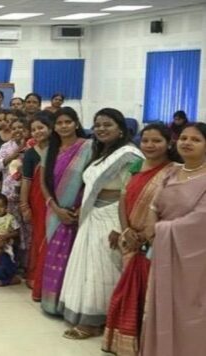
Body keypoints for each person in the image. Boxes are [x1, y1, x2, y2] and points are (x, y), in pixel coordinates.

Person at [59, 108, 142, 339]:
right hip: (92, 214)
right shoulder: (102, 152)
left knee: (103, 268)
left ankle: (98, 321)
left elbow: (132, 193)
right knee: (88, 266)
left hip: (113, 216)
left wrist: (122, 227)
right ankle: (86, 315)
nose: (101, 129)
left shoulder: (130, 155)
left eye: (107, 125)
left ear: (121, 129)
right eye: (97, 125)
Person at [102, 124, 176, 356]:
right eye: (145, 140)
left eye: (157, 141)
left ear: (168, 143)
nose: (150, 145)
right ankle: (126, 343)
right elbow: (123, 201)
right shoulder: (135, 167)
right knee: (129, 293)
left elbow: (171, 210)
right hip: (130, 241)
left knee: (150, 296)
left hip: (154, 242)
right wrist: (126, 231)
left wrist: (145, 236)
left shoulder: (174, 172)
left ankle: (148, 345)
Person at [141, 122, 206, 356]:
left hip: (195, 259)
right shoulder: (171, 171)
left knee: (190, 311)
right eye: (184, 138)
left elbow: (200, 220)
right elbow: (154, 204)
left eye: (196, 140)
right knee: (161, 303)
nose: (187, 143)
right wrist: (152, 223)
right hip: (165, 250)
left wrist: (159, 230)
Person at [38, 107, 93, 316]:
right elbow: (43, 183)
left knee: (74, 259)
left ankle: (68, 304)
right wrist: (54, 207)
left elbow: (90, 181)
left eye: (68, 122)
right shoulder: (49, 150)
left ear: (76, 123)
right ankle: (51, 304)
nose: (63, 126)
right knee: (55, 256)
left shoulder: (88, 147)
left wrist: (78, 209)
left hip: (77, 213)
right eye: (59, 123)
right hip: (54, 212)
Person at [19, 114, 52, 296]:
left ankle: (51, 278)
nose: (37, 132)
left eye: (41, 127)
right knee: (39, 236)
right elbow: (26, 180)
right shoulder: (31, 153)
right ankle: (36, 276)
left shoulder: (59, 150)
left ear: (50, 128)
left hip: (56, 197)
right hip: (37, 200)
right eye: (33, 130)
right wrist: (24, 205)